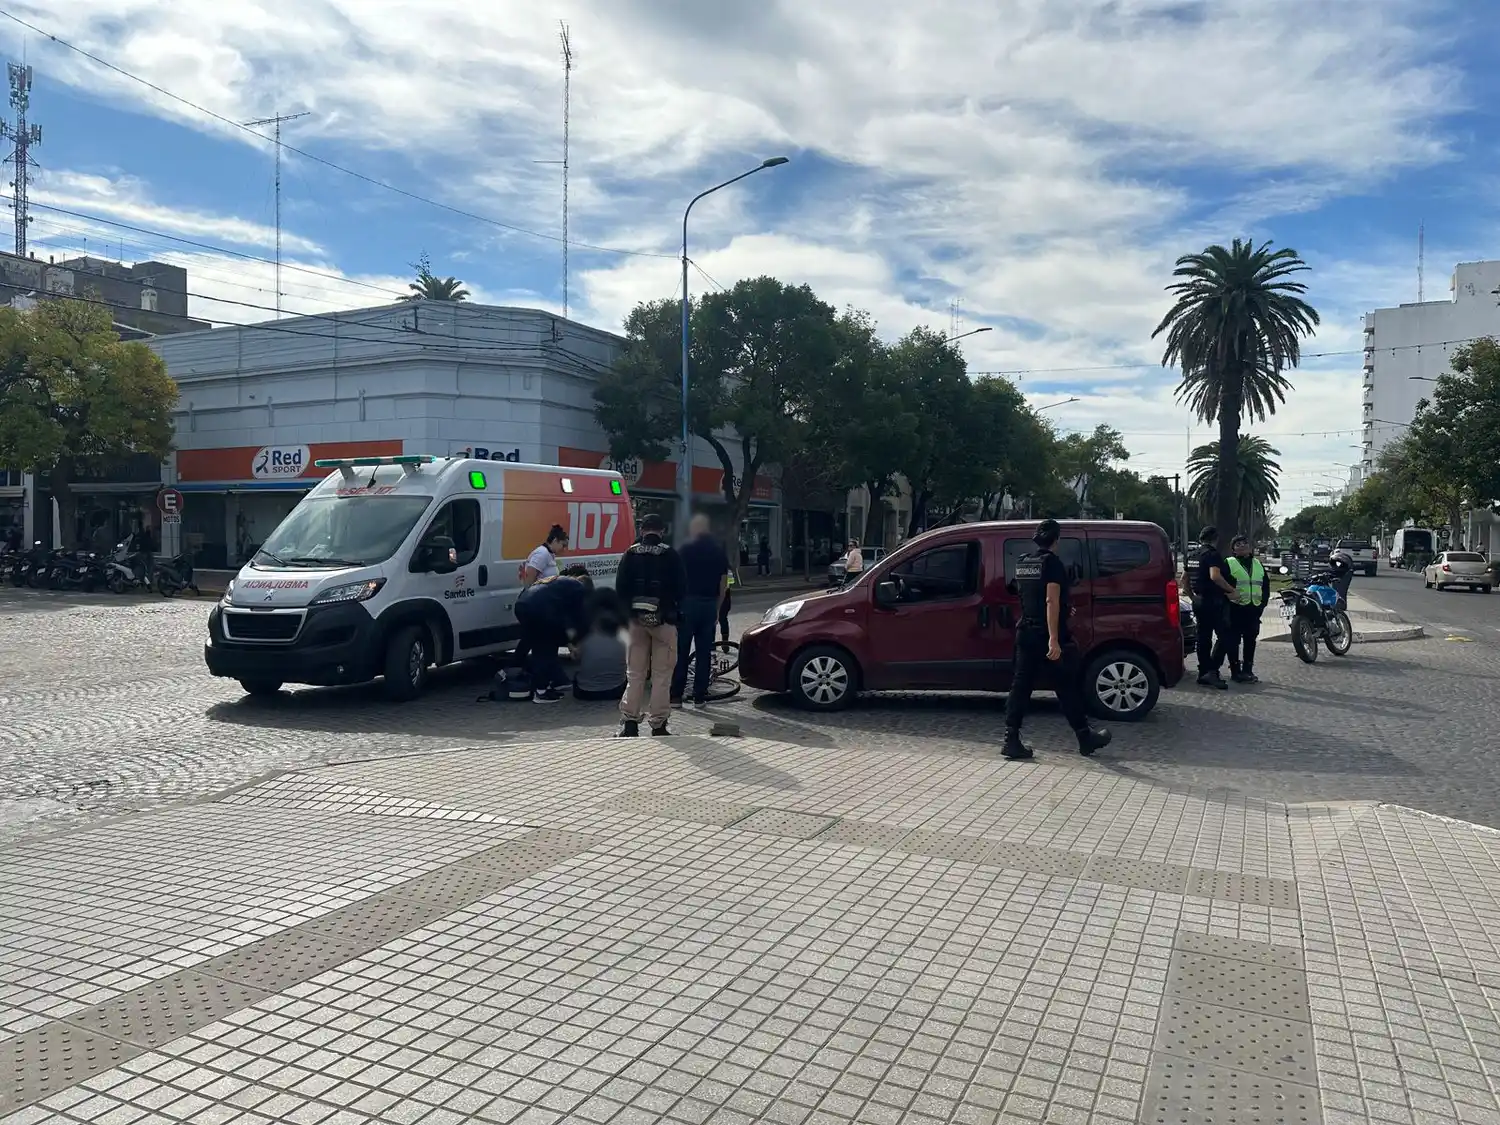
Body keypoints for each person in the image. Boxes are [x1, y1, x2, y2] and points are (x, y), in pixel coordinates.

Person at [1002, 519, 1111, 761]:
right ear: (1056, 540)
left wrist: (1063, 608)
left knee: (1020, 686)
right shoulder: (1052, 563)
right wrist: (1053, 639)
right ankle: (1085, 737)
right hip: (1046, 635)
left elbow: (1027, 596)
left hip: (1026, 632)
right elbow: (1050, 600)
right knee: (1065, 685)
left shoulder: (1023, 563)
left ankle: (1011, 738)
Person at [614, 513, 685, 736]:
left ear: (642, 530)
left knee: (635, 674)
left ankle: (630, 723)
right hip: (663, 621)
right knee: (662, 676)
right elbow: (682, 589)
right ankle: (659, 724)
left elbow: (620, 589)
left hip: (635, 622)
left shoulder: (629, 554)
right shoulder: (670, 555)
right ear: (662, 531)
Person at [672, 514, 730, 710]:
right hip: (708, 606)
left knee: (681, 652)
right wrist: (717, 609)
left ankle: (676, 697)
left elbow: (676, 581)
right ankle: (699, 697)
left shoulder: (684, 550)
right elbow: (724, 585)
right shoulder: (718, 552)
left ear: (693, 529)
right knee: (704, 654)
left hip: (687, 605)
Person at [513, 567, 594, 704]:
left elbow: (562, 621)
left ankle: (552, 682)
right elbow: (578, 620)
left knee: (542, 644)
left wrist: (569, 642)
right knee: (545, 649)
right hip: (539, 610)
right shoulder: (579, 590)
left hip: (523, 605)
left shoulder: (560, 582)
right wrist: (577, 644)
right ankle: (541, 692)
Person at [1193, 525, 1239, 690]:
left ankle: (1203, 671)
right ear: (1215, 539)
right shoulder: (1212, 554)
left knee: (1203, 638)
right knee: (1226, 636)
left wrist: (1193, 596)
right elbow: (1215, 576)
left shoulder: (1192, 555)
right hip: (1214, 601)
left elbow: (1184, 579)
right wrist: (1231, 590)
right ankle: (1212, 671)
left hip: (1199, 601)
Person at [1224, 535, 1269, 684]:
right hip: (1235, 609)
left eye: (1245, 543)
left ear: (1250, 548)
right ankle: (1235, 671)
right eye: (1238, 544)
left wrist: (1262, 605)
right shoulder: (1229, 563)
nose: (1242, 546)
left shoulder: (1257, 564)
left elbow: (1265, 586)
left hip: (1253, 609)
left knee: (1250, 640)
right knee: (1233, 641)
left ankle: (1248, 670)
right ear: (1233, 549)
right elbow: (1222, 584)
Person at [572, 602, 627, 701]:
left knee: (576, 674)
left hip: (585, 693)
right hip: (617, 690)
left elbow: (576, 659)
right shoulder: (624, 640)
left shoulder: (586, 640)